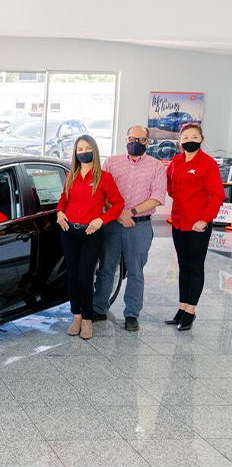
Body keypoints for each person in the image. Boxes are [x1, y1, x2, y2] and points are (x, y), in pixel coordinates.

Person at [92, 126, 167, 332]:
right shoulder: (111, 162)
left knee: (135, 271)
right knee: (107, 267)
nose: (136, 142)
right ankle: (98, 308)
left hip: (139, 226)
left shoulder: (156, 167)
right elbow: (103, 193)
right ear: (126, 139)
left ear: (148, 142)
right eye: (132, 138)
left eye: (141, 139)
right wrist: (118, 213)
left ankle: (132, 314)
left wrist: (129, 212)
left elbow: (157, 198)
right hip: (112, 223)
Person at [56, 135, 123, 340]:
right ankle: (76, 316)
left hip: (91, 233)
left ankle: (87, 319)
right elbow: (63, 199)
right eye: (79, 149)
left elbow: (118, 204)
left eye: (86, 148)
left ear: (94, 150)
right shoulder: (71, 175)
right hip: (69, 231)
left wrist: (102, 219)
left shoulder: (105, 177)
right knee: (72, 277)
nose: (82, 151)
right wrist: (59, 213)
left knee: (85, 278)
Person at [165, 123, 225, 330]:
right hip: (179, 222)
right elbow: (170, 187)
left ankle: (191, 311)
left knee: (195, 267)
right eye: (186, 137)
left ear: (201, 139)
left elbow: (217, 194)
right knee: (183, 267)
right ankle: (182, 308)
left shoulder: (207, 163)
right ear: (180, 141)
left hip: (198, 225)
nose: (190, 140)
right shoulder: (176, 160)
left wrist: (205, 219)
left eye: (194, 136)